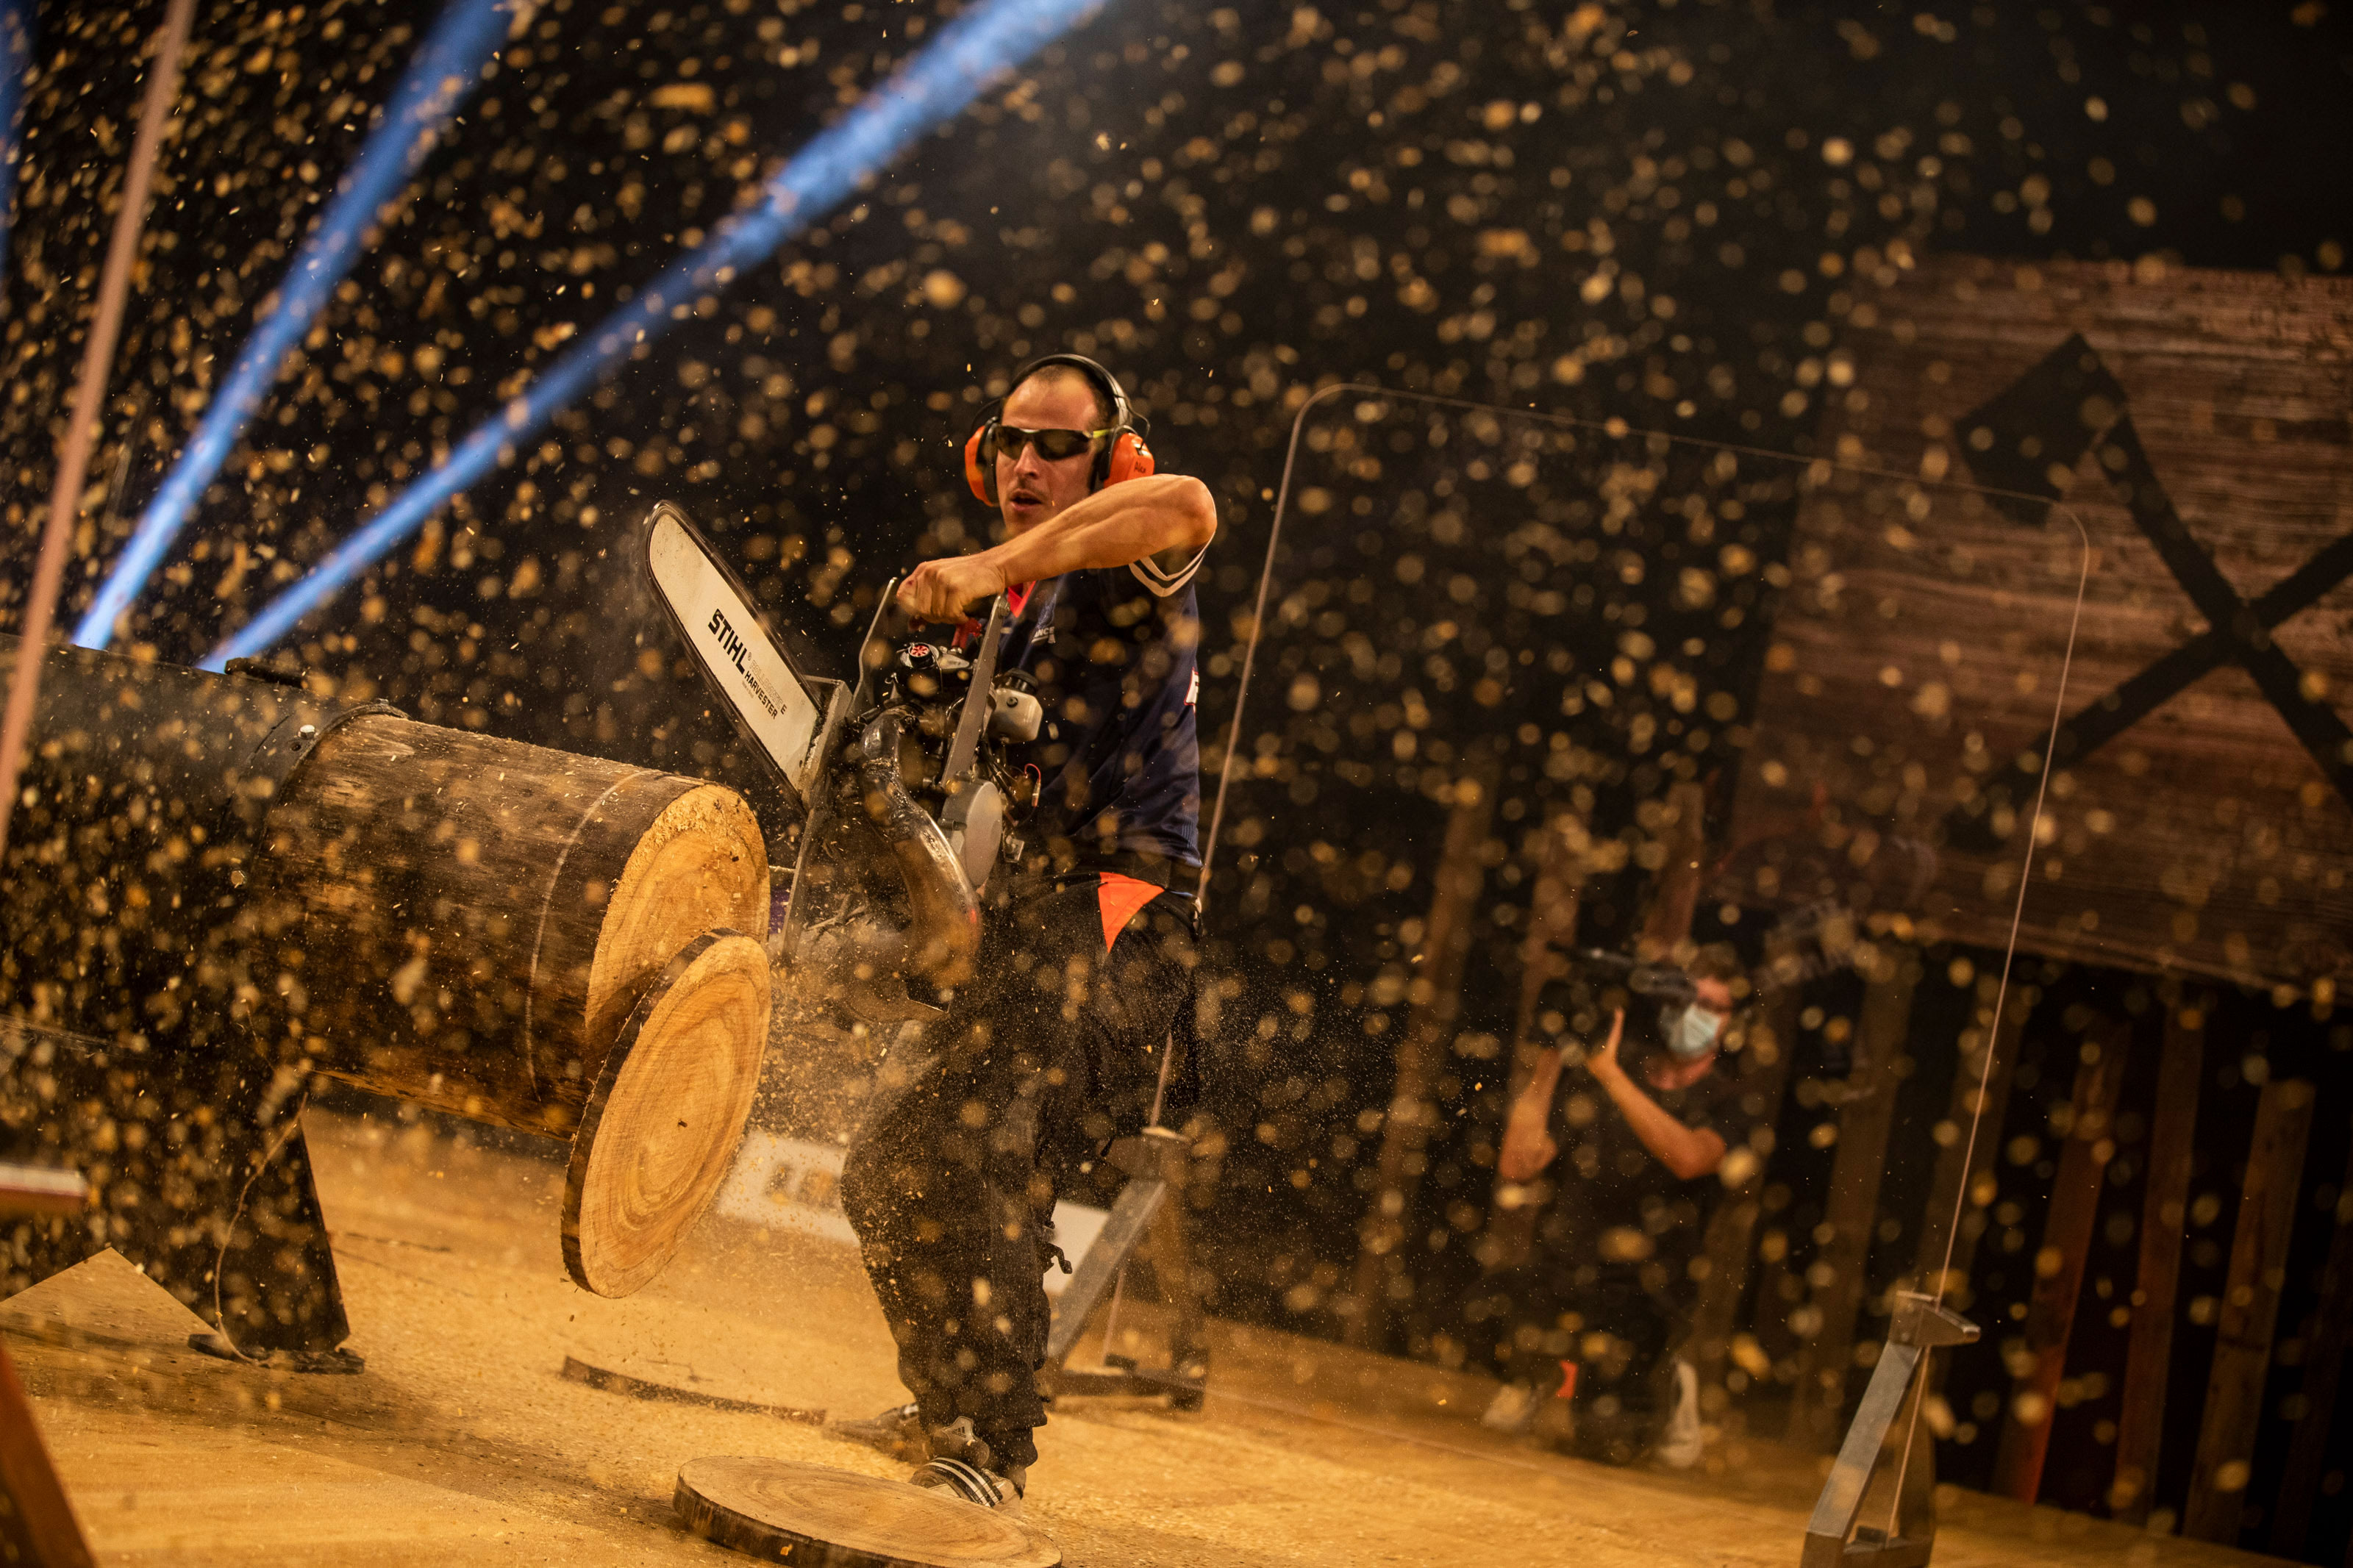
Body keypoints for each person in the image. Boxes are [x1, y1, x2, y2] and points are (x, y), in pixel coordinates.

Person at [833, 355, 1217, 1512]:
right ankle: (948, 1399)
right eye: (1010, 442)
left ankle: (995, 1444)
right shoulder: (1024, 606)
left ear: (1112, 460)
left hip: (1125, 899)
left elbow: (1189, 504)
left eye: (1057, 446)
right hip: (1038, 896)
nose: (1026, 464)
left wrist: (988, 566)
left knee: (987, 1144)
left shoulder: (1126, 556)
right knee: (887, 1164)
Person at [1471, 948, 1760, 1467]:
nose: (1699, 1015)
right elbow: (1518, 1164)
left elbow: (1691, 1158)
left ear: (1731, 1024)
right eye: (1691, 999)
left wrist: (1608, 1073)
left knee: (1611, 1444)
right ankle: (1534, 1374)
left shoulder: (1729, 1100)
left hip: (1647, 1291)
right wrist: (1552, 1052)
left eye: (1715, 1007)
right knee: (1481, 1304)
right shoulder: (1613, 1068)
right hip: (1567, 1268)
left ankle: (1670, 1382)